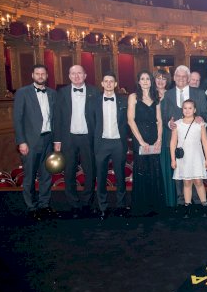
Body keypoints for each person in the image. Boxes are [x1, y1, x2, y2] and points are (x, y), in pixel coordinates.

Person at [160, 65, 207, 210]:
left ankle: (198, 202)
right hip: (177, 140)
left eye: (184, 76)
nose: (181, 79)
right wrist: (169, 123)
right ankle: (182, 203)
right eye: (178, 76)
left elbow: (206, 113)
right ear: (174, 78)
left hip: (194, 141)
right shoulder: (168, 94)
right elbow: (164, 115)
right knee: (180, 173)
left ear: (188, 78)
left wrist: (201, 117)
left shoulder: (199, 93)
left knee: (196, 173)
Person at [54, 64, 99, 218]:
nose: (76, 76)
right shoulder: (62, 93)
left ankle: (86, 203)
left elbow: (99, 117)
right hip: (69, 138)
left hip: (88, 138)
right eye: (73, 73)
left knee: (90, 171)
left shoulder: (94, 91)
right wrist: (57, 140)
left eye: (79, 73)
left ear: (85, 75)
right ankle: (73, 205)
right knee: (69, 172)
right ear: (69, 76)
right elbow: (58, 118)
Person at [13, 64, 57, 220]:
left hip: (48, 139)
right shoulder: (22, 92)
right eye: (37, 73)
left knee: (46, 175)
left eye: (43, 74)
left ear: (47, 76)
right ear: (32, 75)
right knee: (30, 177)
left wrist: (56, 140)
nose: (40, 76)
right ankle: (32, 207)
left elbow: (55, 118)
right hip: (30, 142)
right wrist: (21, 141)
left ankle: (44, 205)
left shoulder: (52, 93)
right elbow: (17, 119)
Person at [127, 71, 165, 216]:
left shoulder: (156, 97)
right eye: (142, 79)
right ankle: (142, 206)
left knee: (154, 168)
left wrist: (159, 139)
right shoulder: (133, 97)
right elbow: (131, 120)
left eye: (147, 79)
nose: (145, 81)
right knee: (142, 168)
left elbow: (159, 121)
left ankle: (154, 206)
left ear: (151, 81)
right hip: (140, 137)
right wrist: (141, 141)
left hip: (154, 137)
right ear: (138, 81)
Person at [93, 72, 129, 220]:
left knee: (120, 176)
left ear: (115, 84)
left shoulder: (123, 101)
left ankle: (121, 206)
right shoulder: (94, 101)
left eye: (111, 81)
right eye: (106, 81)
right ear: (102, 84)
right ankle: (103, 207)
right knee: (101, 176)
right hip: (101, 143)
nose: (108, 84)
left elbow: (128, 121)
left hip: (118, 143)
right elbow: (91, 122)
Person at [171, 99, 207, 218]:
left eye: (190, 108)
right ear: (182, 109)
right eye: (185, 108)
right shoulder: (177, 124)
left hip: (197, 156)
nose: (187, 110)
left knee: (198, 181)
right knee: (186, 182)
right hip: (184, 158)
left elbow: (205, 142)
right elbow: (173, 142)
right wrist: (173, 159)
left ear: (194, 110)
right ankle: (187, 207)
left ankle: (204, 206)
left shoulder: (200, 124)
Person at [154, 69, 176, 209]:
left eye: (164, 78)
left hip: (168, 134)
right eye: (158, 78)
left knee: (167, 166)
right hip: (153, 135)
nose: (161, 81)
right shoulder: (149, 94)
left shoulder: (171, 95)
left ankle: (170, 201)